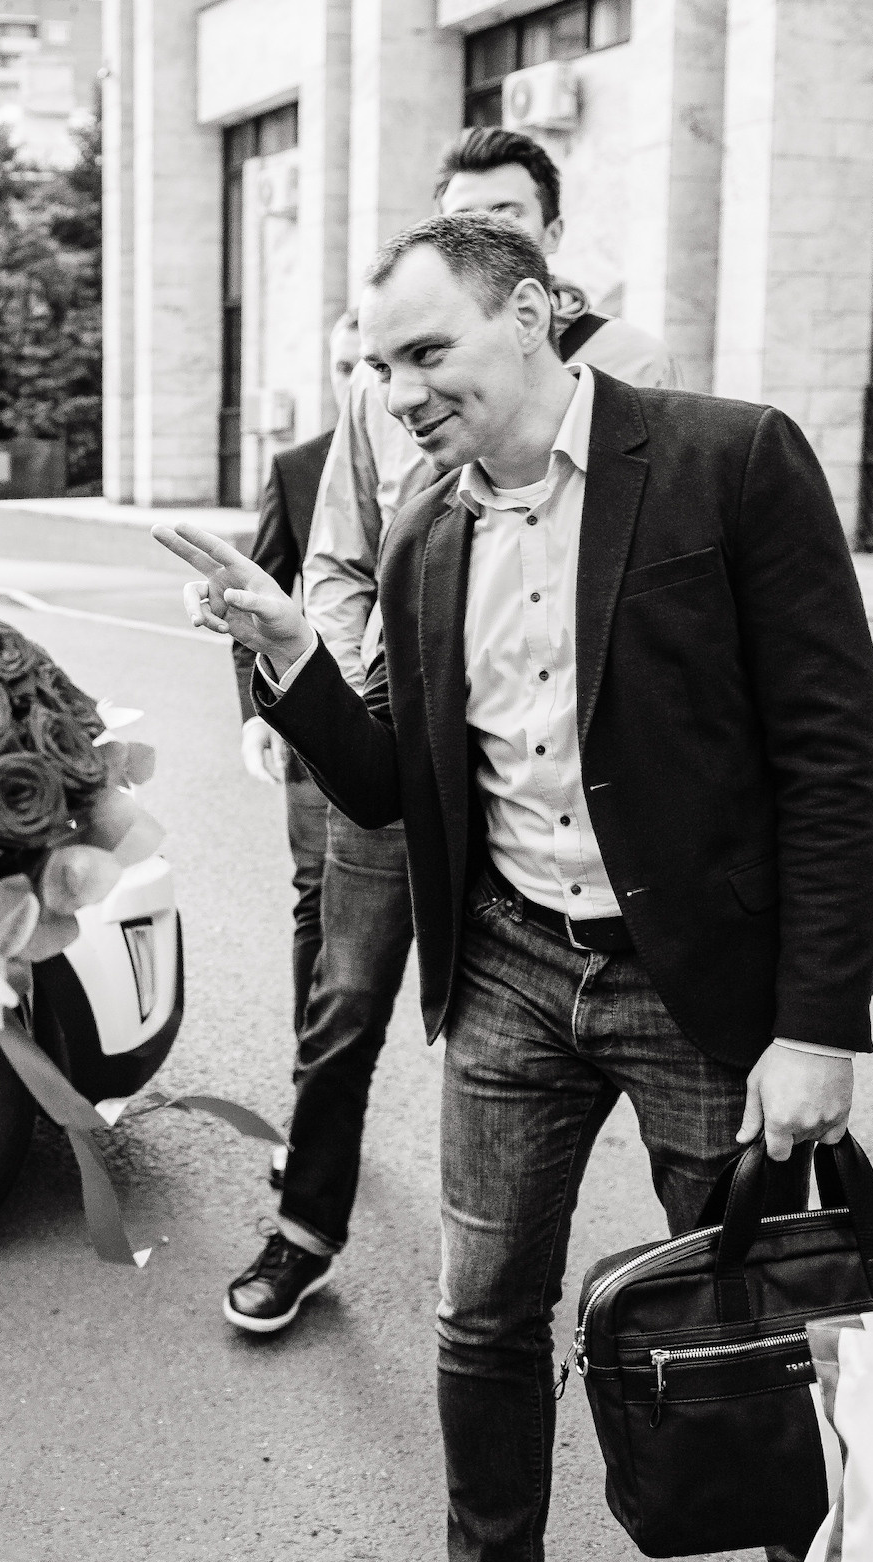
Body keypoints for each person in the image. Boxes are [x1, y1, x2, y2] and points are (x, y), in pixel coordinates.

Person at [159, 211, 873, 1562]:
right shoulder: (425, 532)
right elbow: (386, 783)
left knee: (767, 1313)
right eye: (383, 366)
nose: (403, 391)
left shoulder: (727, 460)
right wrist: (291, 648)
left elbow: (835, 763)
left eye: (430, 351)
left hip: (701, 988)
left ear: (536, 313)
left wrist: (817, 1025)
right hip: (508, 971)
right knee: (482, 1315)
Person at [224, 125, 681, 1333]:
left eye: (511, 218)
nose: (487, 231)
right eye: (462, 213)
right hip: (407, 734)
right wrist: (340, 670)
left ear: (544, 259)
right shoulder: (396, 385)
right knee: (348, 989)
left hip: (581, 786)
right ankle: (305, 1226)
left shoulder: (643, 372)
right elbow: (338, 554)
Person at [230, 311, 361, 1260]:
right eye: (350, 364)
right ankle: (313, 1120)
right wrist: (257, 712)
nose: (368, 382)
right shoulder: (303, 467)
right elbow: (255, 598)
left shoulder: (467, 451)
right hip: (318, 734)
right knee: (322, 917)